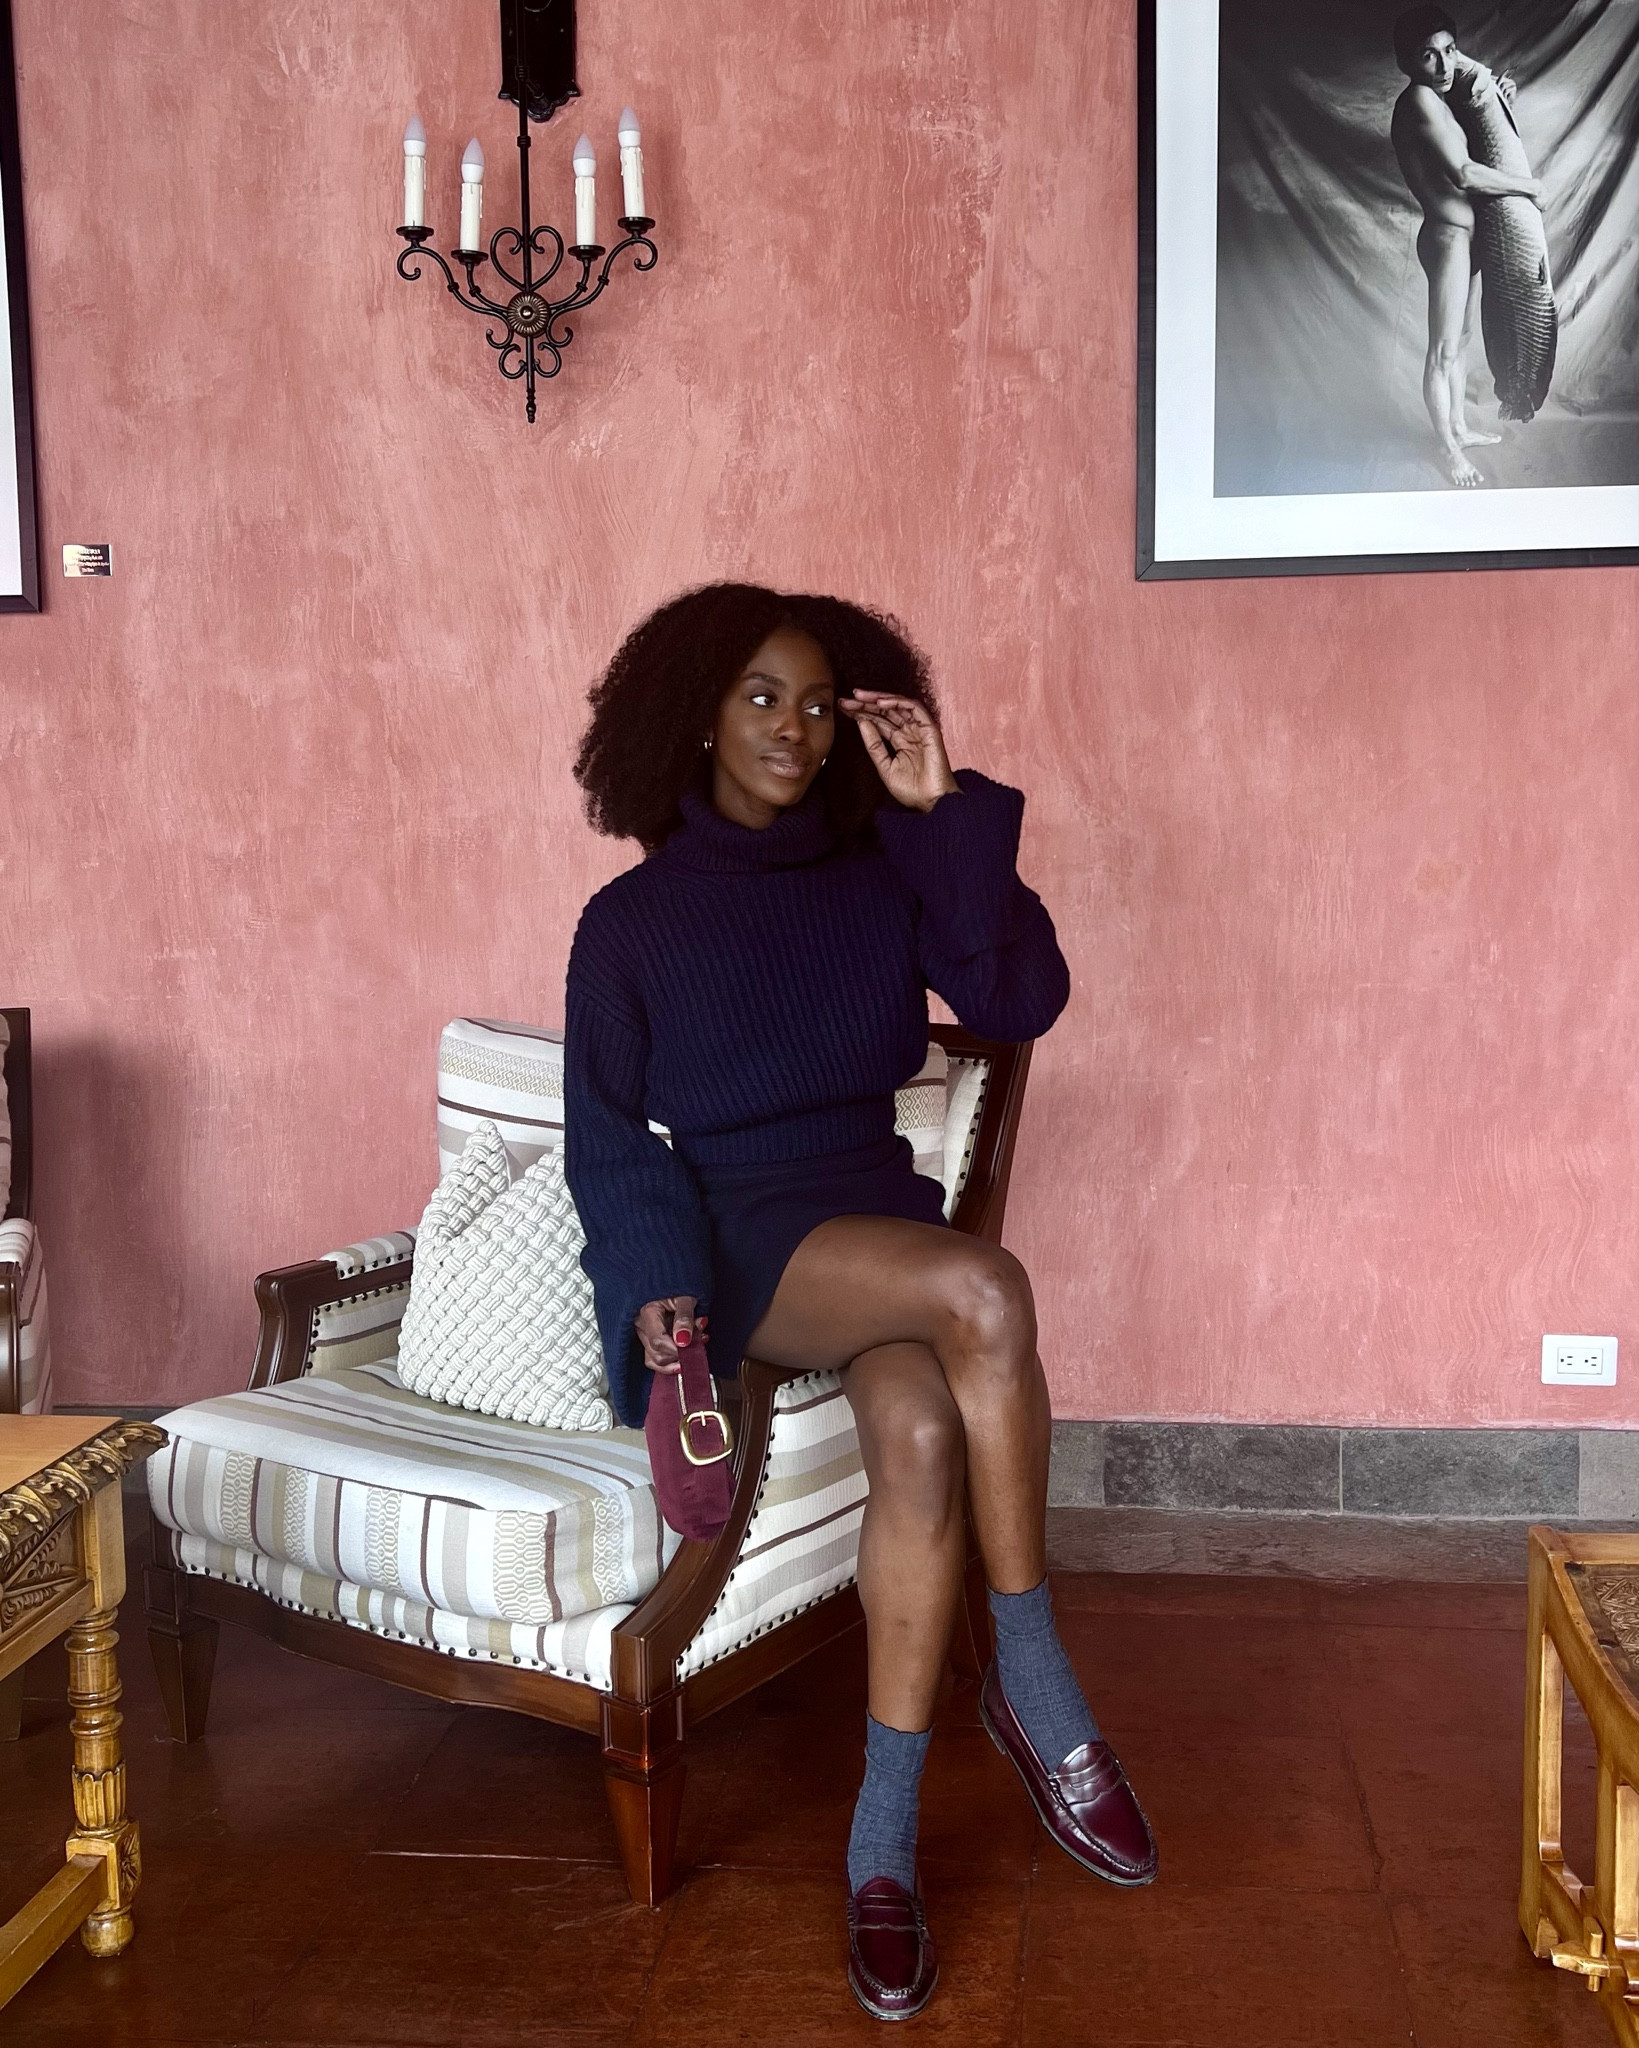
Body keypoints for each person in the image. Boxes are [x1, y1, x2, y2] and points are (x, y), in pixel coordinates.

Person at [565, 584, 1156, 2021]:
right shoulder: (629, 922)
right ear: (696, 714)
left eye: (820, 703)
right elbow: (605, 1136)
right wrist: (654, 1286)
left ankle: (879, 1849)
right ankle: (1029, 1674)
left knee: (921, 1437)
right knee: (985, 1286)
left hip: (871, 1218)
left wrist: (938, 808)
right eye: (761, 696)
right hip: (742, 1240)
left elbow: (1018, 998)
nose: (795, 726)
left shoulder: (879, 870)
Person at [1389, 7, 1541, 486]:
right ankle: (1447, 449)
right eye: (1428, 55)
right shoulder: (1419, 100)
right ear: (1407, 63)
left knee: (1463, 342)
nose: (1444, 64)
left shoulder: (1440, 98)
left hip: (1470, 239)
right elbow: (1464, 173)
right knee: (1443, 351)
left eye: (1450, 50)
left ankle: (1458, 426)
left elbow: (1477, 140)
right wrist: (1529, 188)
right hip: (1448, 238)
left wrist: (1502, 101)